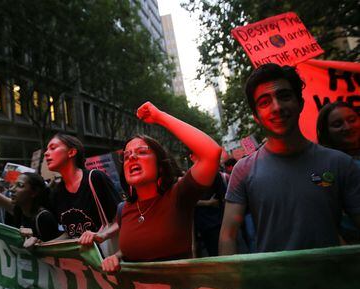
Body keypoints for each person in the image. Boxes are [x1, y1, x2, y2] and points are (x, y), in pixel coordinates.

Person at [219, 64, 360, 255]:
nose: (277, 107)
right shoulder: (243, 170)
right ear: (256, 116)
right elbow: (228, 236)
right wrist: (232, 283)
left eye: (284, 96)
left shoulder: (340, 164)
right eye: (264, 102)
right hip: (273, 283)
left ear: (300, 103)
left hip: (334, 281)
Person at [80, 101, 221, 272]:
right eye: (127, 155)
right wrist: (116, 257)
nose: (131, 157)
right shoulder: (123, 210)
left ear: (160, 166)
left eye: (142, 152)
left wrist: (160, 117)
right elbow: (134, 246)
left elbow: (211, 153)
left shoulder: (179, 195)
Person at [44, 133, 121, 240]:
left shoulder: (95, 178)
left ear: (71, 152)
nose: (46, 153)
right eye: (47, 149)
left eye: (52, 148)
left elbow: (122, 219)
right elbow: (70, 233)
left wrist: (102, 235)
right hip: (79, 256)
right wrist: (41, 245)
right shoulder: (56, 193)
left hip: (104, 254)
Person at [0, 150, 59, 243]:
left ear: (33, 193)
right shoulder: (18, 209)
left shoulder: (44, 218)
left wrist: (37, 243)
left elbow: (55, 249)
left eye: (20, 185)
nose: (12, 189)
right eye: (14, 185)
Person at [317, 101, 360, 243]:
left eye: (352, 120)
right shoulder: (321, 167)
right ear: (326, 130)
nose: (347, 127)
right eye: (337, 124)